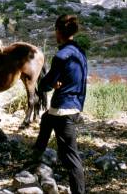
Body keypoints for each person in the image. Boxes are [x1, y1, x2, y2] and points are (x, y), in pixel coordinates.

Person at [33, 15, 87, 194]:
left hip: (63, 109)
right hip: (76, 104)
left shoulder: (61, 56)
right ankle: (35, 159)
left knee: (70, 157)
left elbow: (43, 85)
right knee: (46, 119)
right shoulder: (80, 51)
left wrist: (50, 84)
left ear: (58, 31)